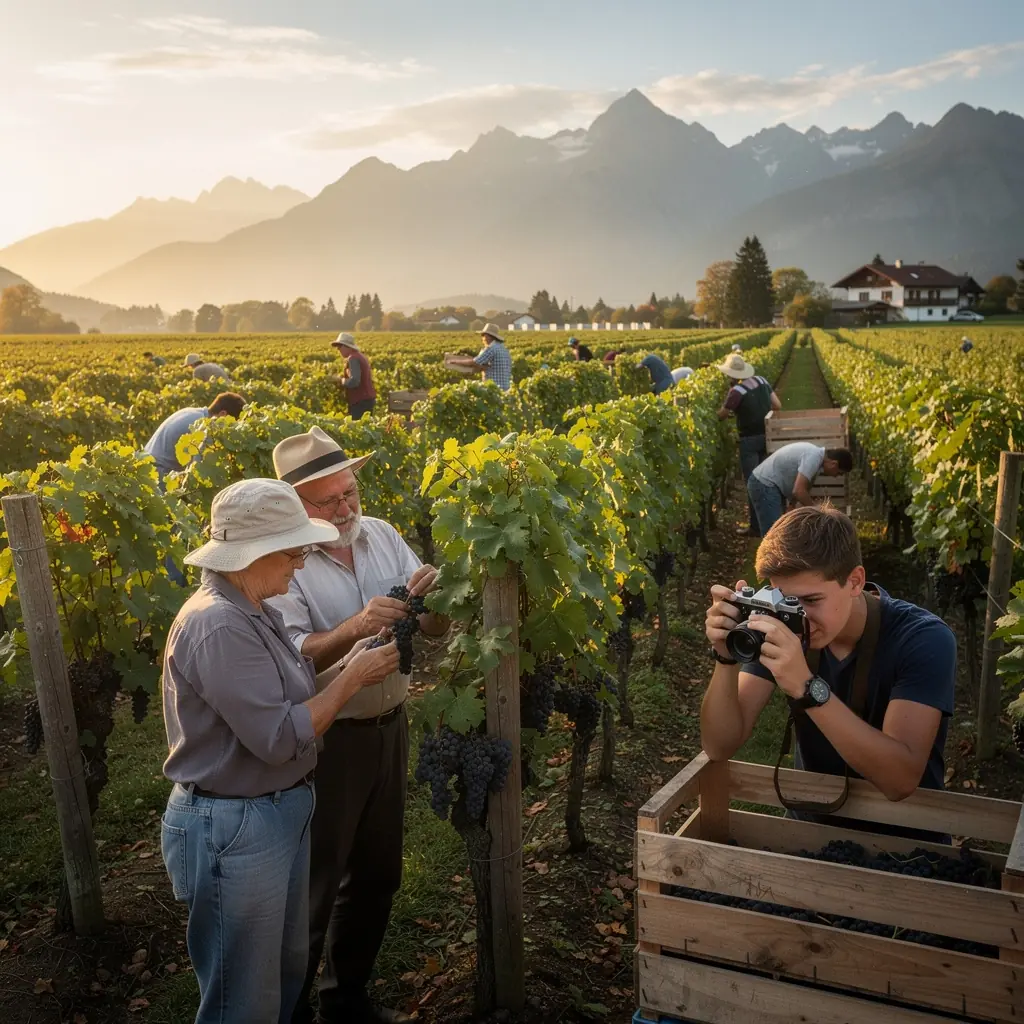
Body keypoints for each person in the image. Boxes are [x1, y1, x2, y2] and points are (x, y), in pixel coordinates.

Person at [160, 478, 400, 1024]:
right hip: (236, 828)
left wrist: (345, 665)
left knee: (283, 977)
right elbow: (278, 737)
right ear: (254, 554)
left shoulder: (253, 606)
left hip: (272, 814)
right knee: (241, 999)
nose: (299, 563)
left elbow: (289, 691)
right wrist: (351, 681)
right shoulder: (218, 624)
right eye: (293, 552)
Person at [268, 427, 450, 1024]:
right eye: (329, 501)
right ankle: (290, 1011)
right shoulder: (283, 564)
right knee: (316, 888)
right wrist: (354, 626)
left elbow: (434, 630)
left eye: (351, 493)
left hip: (390, 727)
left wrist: (436, 605)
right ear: (297, 505)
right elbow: (292, 657)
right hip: (327, 741)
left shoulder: (384, 534)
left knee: (377, 876)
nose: (346, 509)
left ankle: (345, 1001)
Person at [701, 504, 956, 838]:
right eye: (785, 600)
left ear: (854, 581)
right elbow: (720, 746)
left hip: (908, 845)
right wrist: (726, 659)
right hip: (812, 831)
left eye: (810, 600)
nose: (798, 616)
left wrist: (807, 688)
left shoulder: (924, 639)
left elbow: (899, 780)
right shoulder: (783, 623)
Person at [717, 352, 782, 537]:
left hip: (749, 441)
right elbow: (777, 405)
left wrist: (725, 411)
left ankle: (756, 526)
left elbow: (722, 415)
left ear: (731, 375)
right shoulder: (761, 381)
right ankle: (769, 522)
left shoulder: (736, 392)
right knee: (766, 480)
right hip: (766, 437)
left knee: (752, 483)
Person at [748, 441, 852, 536]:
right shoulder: (813, 457)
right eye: (839, 473)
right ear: (834, 464)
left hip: (772, 486)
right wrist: (818, 512)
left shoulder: (817, 460)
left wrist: (792, 504)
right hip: (764, 484)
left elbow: (801, 487)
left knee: (780, 532)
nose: (836, 476)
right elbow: (799, 491)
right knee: (773, 535)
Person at [143, 392, 246, 482]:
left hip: (146, 466)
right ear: (223, 414)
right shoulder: (204, 427)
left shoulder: (192, 412)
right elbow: (198, 471)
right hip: (159, 475)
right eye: (231, 424)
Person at [449, 323, 512, 391]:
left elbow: (474, 362)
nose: (482, 338)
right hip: (506, 387)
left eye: (483, 335)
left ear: (489, 336)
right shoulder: (503, 349)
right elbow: (493, 367)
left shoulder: (491, 348)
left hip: (494, 388)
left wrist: (454, 361)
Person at [331, 333, 377, 419]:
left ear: (347, 346)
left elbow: (354, 381)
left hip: (360, 402)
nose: (338, 349)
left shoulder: (353, 358)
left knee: (357, 427)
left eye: (339, 346)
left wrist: (341, 380)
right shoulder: (360, 356)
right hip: (366, 400)